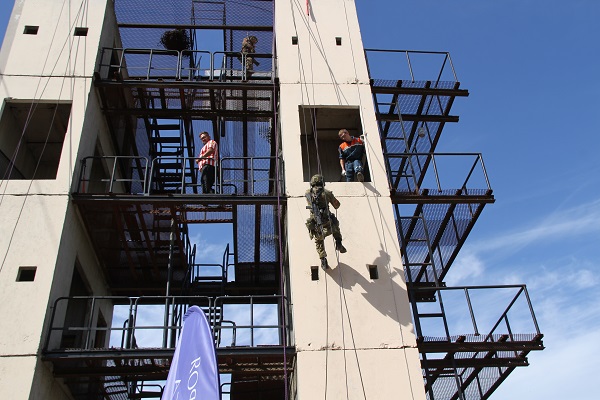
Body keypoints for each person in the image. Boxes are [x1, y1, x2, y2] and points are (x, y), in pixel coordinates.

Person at [305, 174, 346, 269]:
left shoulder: (308, 193)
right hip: (327, 220)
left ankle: (323, 259)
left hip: (316, 222)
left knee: (319, 241)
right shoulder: (327, 193)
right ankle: (338, 242)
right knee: (335, 226)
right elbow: (337, 205)